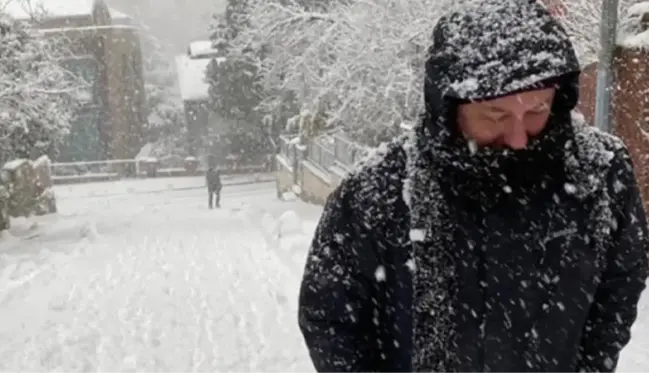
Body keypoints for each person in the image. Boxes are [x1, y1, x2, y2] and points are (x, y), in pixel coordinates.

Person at [297, 1, 649, 373]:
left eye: (536, 111)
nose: (517, 138)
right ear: (448, 108)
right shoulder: (378, 190)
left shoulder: (600, 173)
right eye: (495, 116)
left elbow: (620, 285)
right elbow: (331, 318)